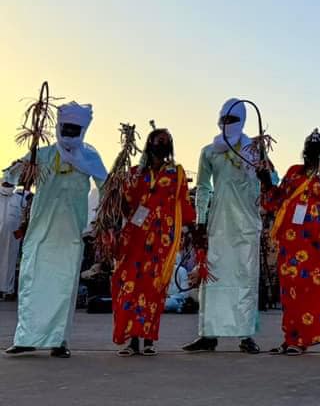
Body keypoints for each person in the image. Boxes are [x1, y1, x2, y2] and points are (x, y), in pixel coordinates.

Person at [4, 102, 106, 358]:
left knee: (63, 288)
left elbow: (107, 188)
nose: (69, 133)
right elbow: (12, 177)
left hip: (70, 235)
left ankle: (59, 341)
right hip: (40, 233)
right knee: (32, 283)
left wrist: (103, 220)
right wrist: (21, 167)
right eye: (66, 128)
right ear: (59, 127)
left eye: (75, 129)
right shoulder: (43, 154)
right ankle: (26, 338)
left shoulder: (90, 158)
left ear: (82, 130)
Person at [183, 98, 267, 354]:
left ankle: (245, 335)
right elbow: (204, 187)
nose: (227, 124)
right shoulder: (209, 151)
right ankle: (208, 334)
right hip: (218, 222)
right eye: (224, 120)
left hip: (246, 222)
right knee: (214, 276)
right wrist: (200, 221)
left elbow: (270, 180)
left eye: (233, 120)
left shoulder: (255, 149)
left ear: (243, 121)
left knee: (246, 276)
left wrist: (266, 176)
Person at [260, 130, 320, 355]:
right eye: (308, 145)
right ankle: (290, 337)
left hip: (316, 244)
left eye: (316, 145)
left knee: (310, 290)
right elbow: (276, 200)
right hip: (290, 243)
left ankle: (301, 339)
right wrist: (265, 181)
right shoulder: (293, 172)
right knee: (289, 291)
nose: (311, 148)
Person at [112, 128, 196, 356]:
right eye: (157, 141)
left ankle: (148, 339)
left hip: (162, 239)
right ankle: (131, 339)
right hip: (135, 238)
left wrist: (192, 228)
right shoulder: (135, 173)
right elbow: (125, 203)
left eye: (165, 142)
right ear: (148, 145)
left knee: (153, 289)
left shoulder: (176, 174)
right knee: (129, 286)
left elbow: (184, 203)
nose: (161, 145)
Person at [0, 177, 26, 298]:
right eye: (6, 182)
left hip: (12, 238)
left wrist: (21, 231)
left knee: (10, 263)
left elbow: (25, 216)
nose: (7, 184)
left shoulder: (19, 199)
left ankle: (8, 290)